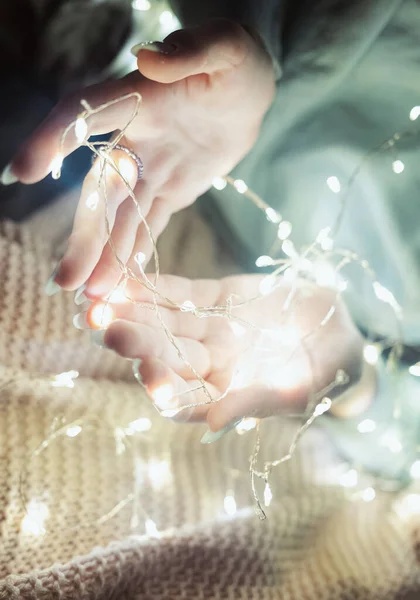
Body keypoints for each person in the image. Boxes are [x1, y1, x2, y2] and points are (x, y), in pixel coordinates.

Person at [1, 1, 420, 598]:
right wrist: (252, 50)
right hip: (160, 113)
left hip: (181, 208)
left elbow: (407, 441)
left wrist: (357, 384)